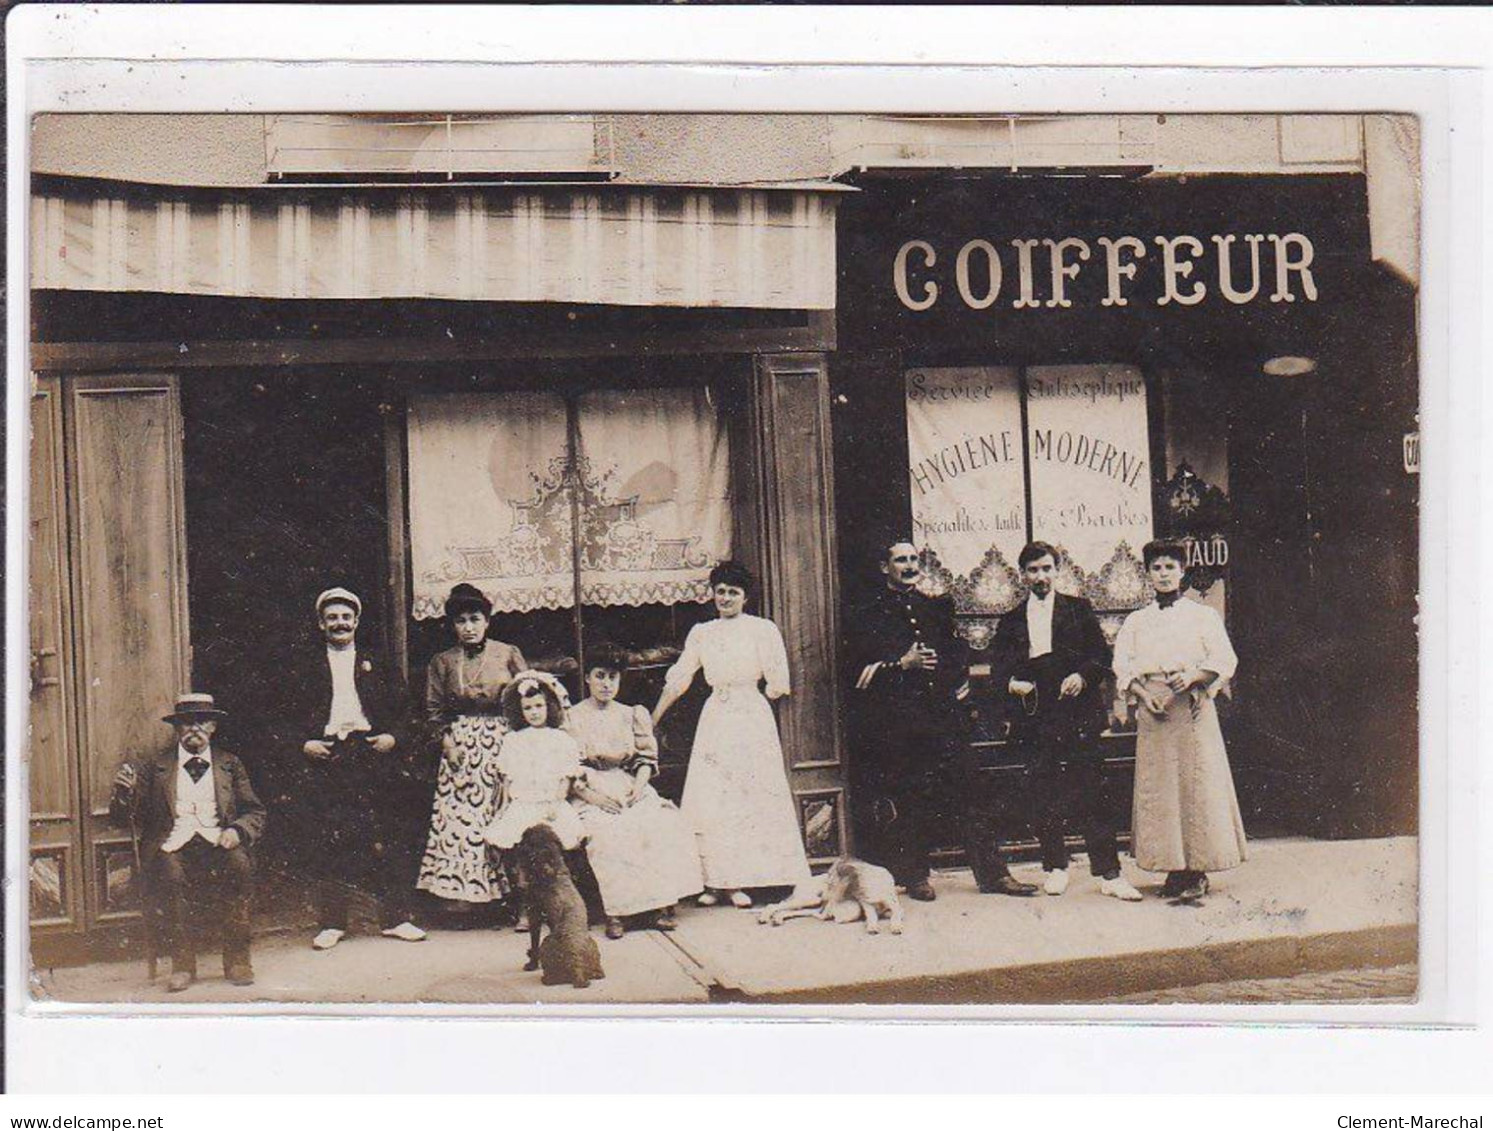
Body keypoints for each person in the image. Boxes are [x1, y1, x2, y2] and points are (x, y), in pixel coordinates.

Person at [844, 539, 1038, 901]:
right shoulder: (869, 612)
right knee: (912, 797)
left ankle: (994, 875)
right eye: (900, 560)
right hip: (902, 722)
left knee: (972, 792)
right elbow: (858, 673)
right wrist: (902, 665)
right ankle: (915, 875)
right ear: (885, 568)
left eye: (914, 559)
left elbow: (956, 657)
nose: (909, 565)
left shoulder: (934, 608)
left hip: (943, 717)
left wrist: (954, 692)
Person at [653, 561, 812, 909]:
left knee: (746, 796)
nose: (724, 598)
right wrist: (652, 719)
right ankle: (714, 881)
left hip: (750, 718)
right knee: (713, 797)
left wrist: (751, 700)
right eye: (720, 591)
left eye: (733, 593)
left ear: (746, 597)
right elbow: (680, 678)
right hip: (716, 719)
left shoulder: (762, 629)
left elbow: (778, 682)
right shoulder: (702, 632)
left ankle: (743, 881)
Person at [990, 542, 1142, 901]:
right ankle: (1055, 866)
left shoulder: (1078, 609)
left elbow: (1101, 657)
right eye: (1033, 570)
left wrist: (1082, 677)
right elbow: (999, 670)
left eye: (1046, 568)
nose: (1040, 577)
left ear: (1057, 570)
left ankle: (1109, 873)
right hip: (1036, 714)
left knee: (1093, 789)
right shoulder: (1012, 620)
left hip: (1075, 712)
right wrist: (1013, 684)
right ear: (1022, 574)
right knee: (1043, 791)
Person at [285, 587, 427, 951]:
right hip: (329, 755)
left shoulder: (377, 661)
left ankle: (396, 918)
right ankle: (333, 923)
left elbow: (407, 711)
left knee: (389, 836)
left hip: (372, 753)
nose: (339, 623)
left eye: (346, 617)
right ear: (321, 624)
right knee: (333, 839)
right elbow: (280, 715)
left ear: (357, 622)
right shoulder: (304, 664)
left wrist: (393, 738)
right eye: (332, 618)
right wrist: (303, 743)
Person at [1112, 539, 1246, 901]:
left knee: (1195, 785)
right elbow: (1122, 666)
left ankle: (1197, 869)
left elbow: (1223, 659)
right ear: (1148, 574)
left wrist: (1192, 678)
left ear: (1182, 571)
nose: (1163, 573)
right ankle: (1173, 867)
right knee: (1163, 789)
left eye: (1170, 566)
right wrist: (1143, 696)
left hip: (1191, 707)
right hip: (1155, 710)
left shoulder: (1202, 615)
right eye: (1156, 568)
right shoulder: (1137, 620)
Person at [109, 693, 267, 992]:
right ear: (176, 729)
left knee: (239, 867)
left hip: (218, 840)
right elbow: (126, 817)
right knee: (170, 877)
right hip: (173, 844)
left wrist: (237, 830)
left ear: (213, 727)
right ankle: (182, 966)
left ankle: (237, 960)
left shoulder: (229, 764)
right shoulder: (156, 767)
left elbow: (254, 810)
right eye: (186, 723)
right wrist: (122, 794)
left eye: (202, 722)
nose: (194, 729)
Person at [567, 643, 703, 938]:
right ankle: (618, 912)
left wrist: (638, 789)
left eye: (613, 677)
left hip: (628, 784)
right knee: (608, 833)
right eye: (600, 676)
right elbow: (567, 768)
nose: (606, 684)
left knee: (660, 823)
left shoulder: (631, 714)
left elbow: (645, 759)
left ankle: (658, 905)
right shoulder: (572, 717)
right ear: (588, 678)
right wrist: (595, 798)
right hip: (588, 788)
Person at [417, 583, 528, 911]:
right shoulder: (443, 661)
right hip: (461, 745)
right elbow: (433, 711)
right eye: (461, 621)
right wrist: (448, 745)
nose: (468, 627)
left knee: (502, 813)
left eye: (474, 619)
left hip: (502, 741)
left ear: (487, 621)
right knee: (463, 819)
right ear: (453, 626)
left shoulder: (508, 653)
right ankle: (466, 898)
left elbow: (529, 697)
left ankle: (510, 899)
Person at [482, 673, 605, 853]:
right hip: (523, 803)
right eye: (528, 708)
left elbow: (566, 777)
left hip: (551, 802)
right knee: (516, 841)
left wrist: (556, 803)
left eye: (539, 706)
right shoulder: (513, 740)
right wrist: (503, 806)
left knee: (562, 840)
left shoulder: (561, 739)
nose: (534, 712)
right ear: (520, 711)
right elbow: (508, 777)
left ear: (550, 706)